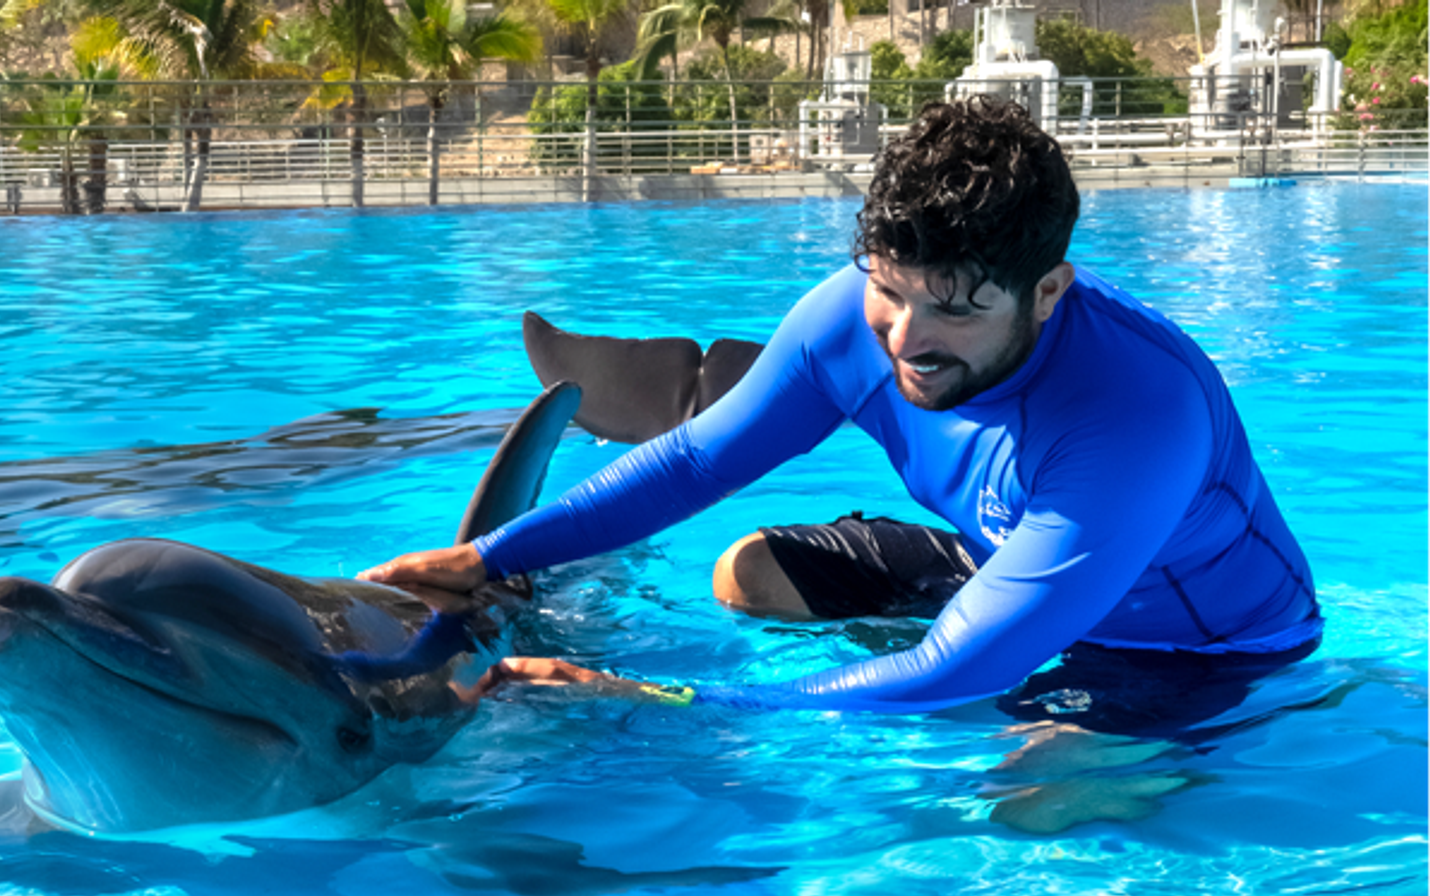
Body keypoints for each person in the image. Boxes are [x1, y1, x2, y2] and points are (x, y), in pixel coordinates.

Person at [363, 97, 1321, 725]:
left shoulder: (1136, 415)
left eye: (955, 310)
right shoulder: (847, 321)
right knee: (750, 574)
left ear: (1047, 292)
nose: (907, 339)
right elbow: (697, 460)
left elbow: (957, 676)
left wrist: (661, 698)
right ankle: (955, 638)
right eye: (889, 291)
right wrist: (490, 557)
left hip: (1191, 651)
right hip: (1003, 560)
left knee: (1031, 797)